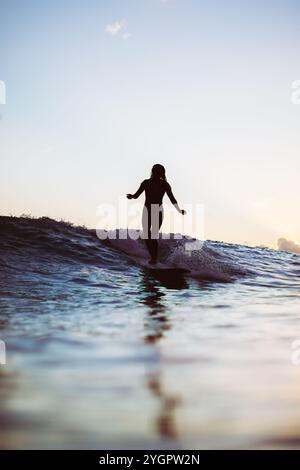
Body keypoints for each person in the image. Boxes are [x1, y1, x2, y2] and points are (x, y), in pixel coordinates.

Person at [127, 164, 186, 264]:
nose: (156, 173)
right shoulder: (146, 183)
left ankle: (154, 259)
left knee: (153, 236)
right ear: (153, 172)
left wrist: (179, 210)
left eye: (158, 172)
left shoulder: (165, 185)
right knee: (146, 235)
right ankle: (153, 257)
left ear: (161, 173)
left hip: (157, 211)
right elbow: (137, 195)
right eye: (155, 171)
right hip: (147, 210)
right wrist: (131, 196)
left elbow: (172, 199)